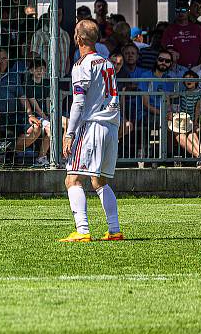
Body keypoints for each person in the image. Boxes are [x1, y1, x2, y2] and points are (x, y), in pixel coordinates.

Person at [60, 19, 123, 242]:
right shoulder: (107, 63)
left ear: (78, 39)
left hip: (92, 126)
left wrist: (70, 133)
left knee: (73, 178)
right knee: (99, 181)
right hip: (111, 126)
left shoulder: (81, 64)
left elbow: (78, 102)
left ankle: (83, 230)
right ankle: (114, 230)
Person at [172, 70, 201, 166]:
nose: (188, 80)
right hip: (183, 119)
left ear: (196, 81)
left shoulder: (199, 92)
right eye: (186, 79)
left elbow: (198, 108)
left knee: (191, 132)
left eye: (191, 79)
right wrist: (166, 95)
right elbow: (172, 96)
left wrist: (196, 122)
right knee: (187, 132)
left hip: (192, 119)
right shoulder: (183, 92)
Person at [162, 2, 201, 68]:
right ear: (175, 13)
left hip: (196, 68)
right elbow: (166, 48)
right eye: (177, 10)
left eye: (183, 10)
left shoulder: (197, 28)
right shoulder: (169, 29)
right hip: (176, 68)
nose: (180, 13)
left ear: (188, 12)